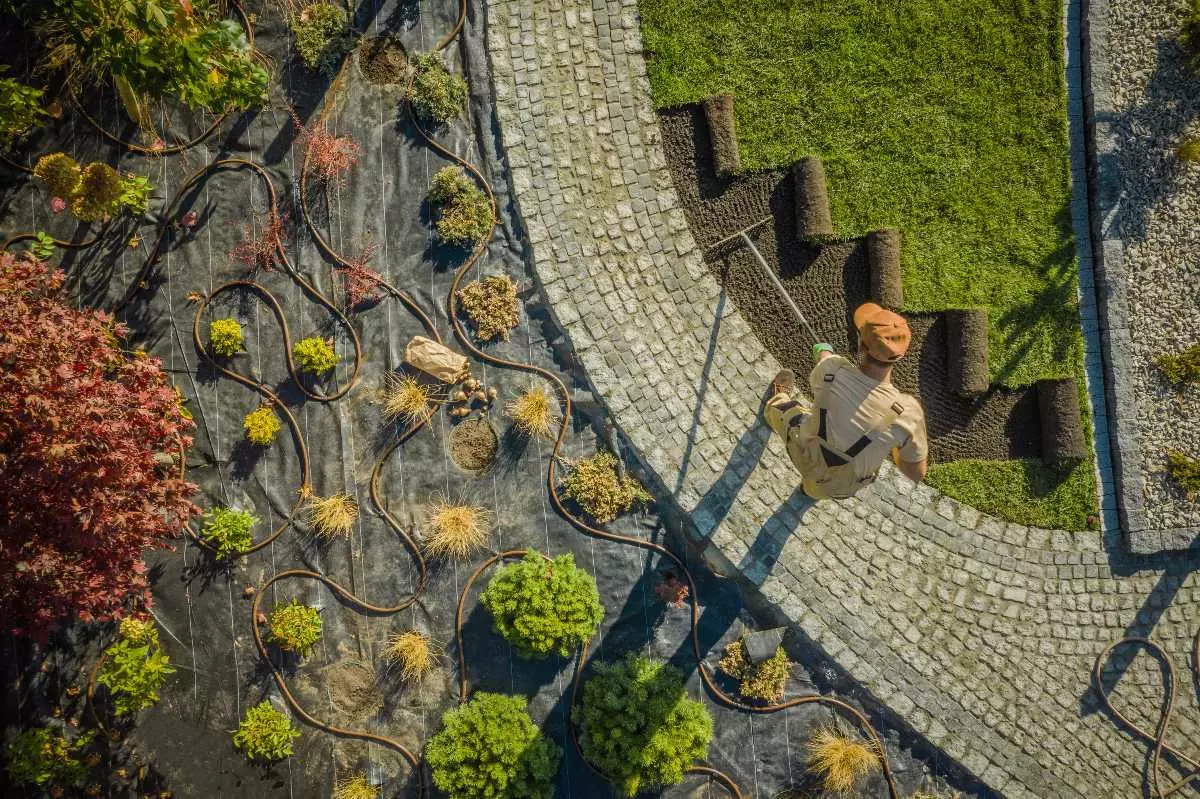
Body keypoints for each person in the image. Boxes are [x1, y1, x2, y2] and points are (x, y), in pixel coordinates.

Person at [764, 302, 928, 500]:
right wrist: (895, 443)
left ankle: (775, 401)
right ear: (900, 356)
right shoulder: (908, 414)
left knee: (780, 408)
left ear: (860, 345)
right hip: (840, 484)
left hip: (802, 448)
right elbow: (916, 473)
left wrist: (823, 351)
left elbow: (825, 362)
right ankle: (809, 492)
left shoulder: (832, 369)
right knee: (818, 489)